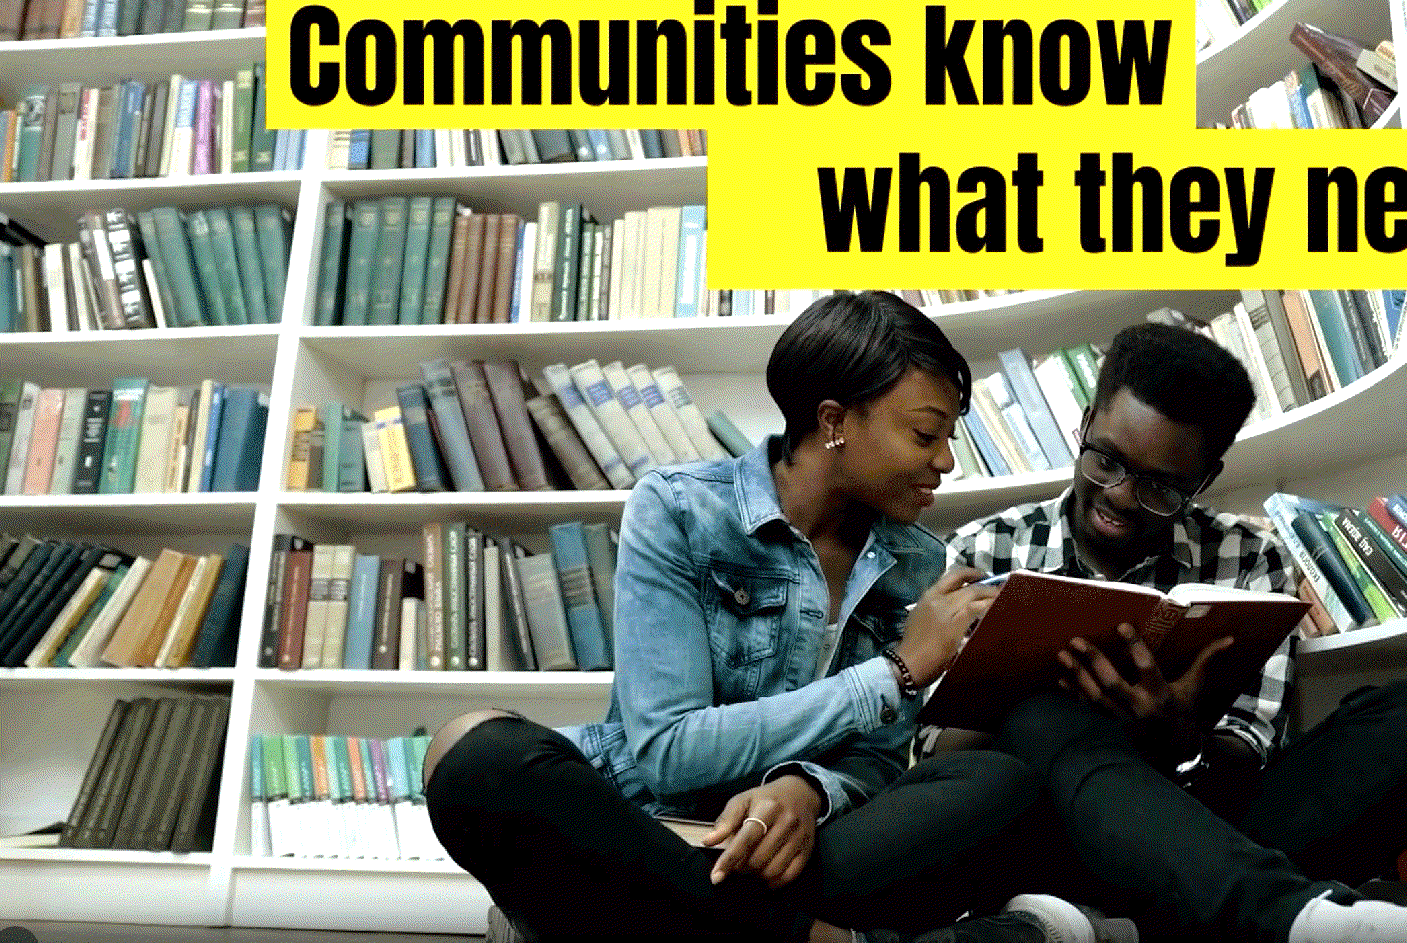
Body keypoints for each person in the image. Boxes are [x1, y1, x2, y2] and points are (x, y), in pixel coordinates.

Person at [422, 291, 1123, 943]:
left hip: (797, 846)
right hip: (656, 823)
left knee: (1000, 783)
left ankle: (638, 913)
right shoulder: (679, 509)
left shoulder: (913, 559)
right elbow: (669, 749)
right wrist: (898, 670)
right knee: (472, 755)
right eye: (925, 433)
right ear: (834, 422)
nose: (943, 460)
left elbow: (876, 759)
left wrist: (805, 788)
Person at [932, 321, 1407, 943]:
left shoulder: (1251, 560)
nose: (1118, 501)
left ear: (1204, 479)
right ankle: (1285, 920)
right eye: (1106, 461)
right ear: (1085, 422)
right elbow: (928, 768)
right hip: (1037, 834)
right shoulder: (987, 547)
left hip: (1205, 816)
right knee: (1043, 722)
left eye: (1159, 487)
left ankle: (1106, 929)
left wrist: (1183, 738)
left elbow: (1250, 748)